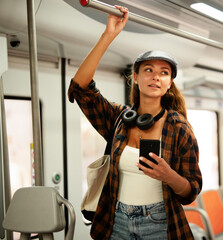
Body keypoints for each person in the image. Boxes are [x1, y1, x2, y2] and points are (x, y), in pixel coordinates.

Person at [68, 6, 202, 240]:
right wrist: (108, 35)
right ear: (136, 78)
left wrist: (168, 175)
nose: (155, 76)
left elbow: (191, 191)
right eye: (148, 70)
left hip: (159, 221)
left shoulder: (179, 128)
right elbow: (81, 89)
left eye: (164, 72)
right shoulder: (119, 119)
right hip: (115, 218)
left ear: (169, 82)